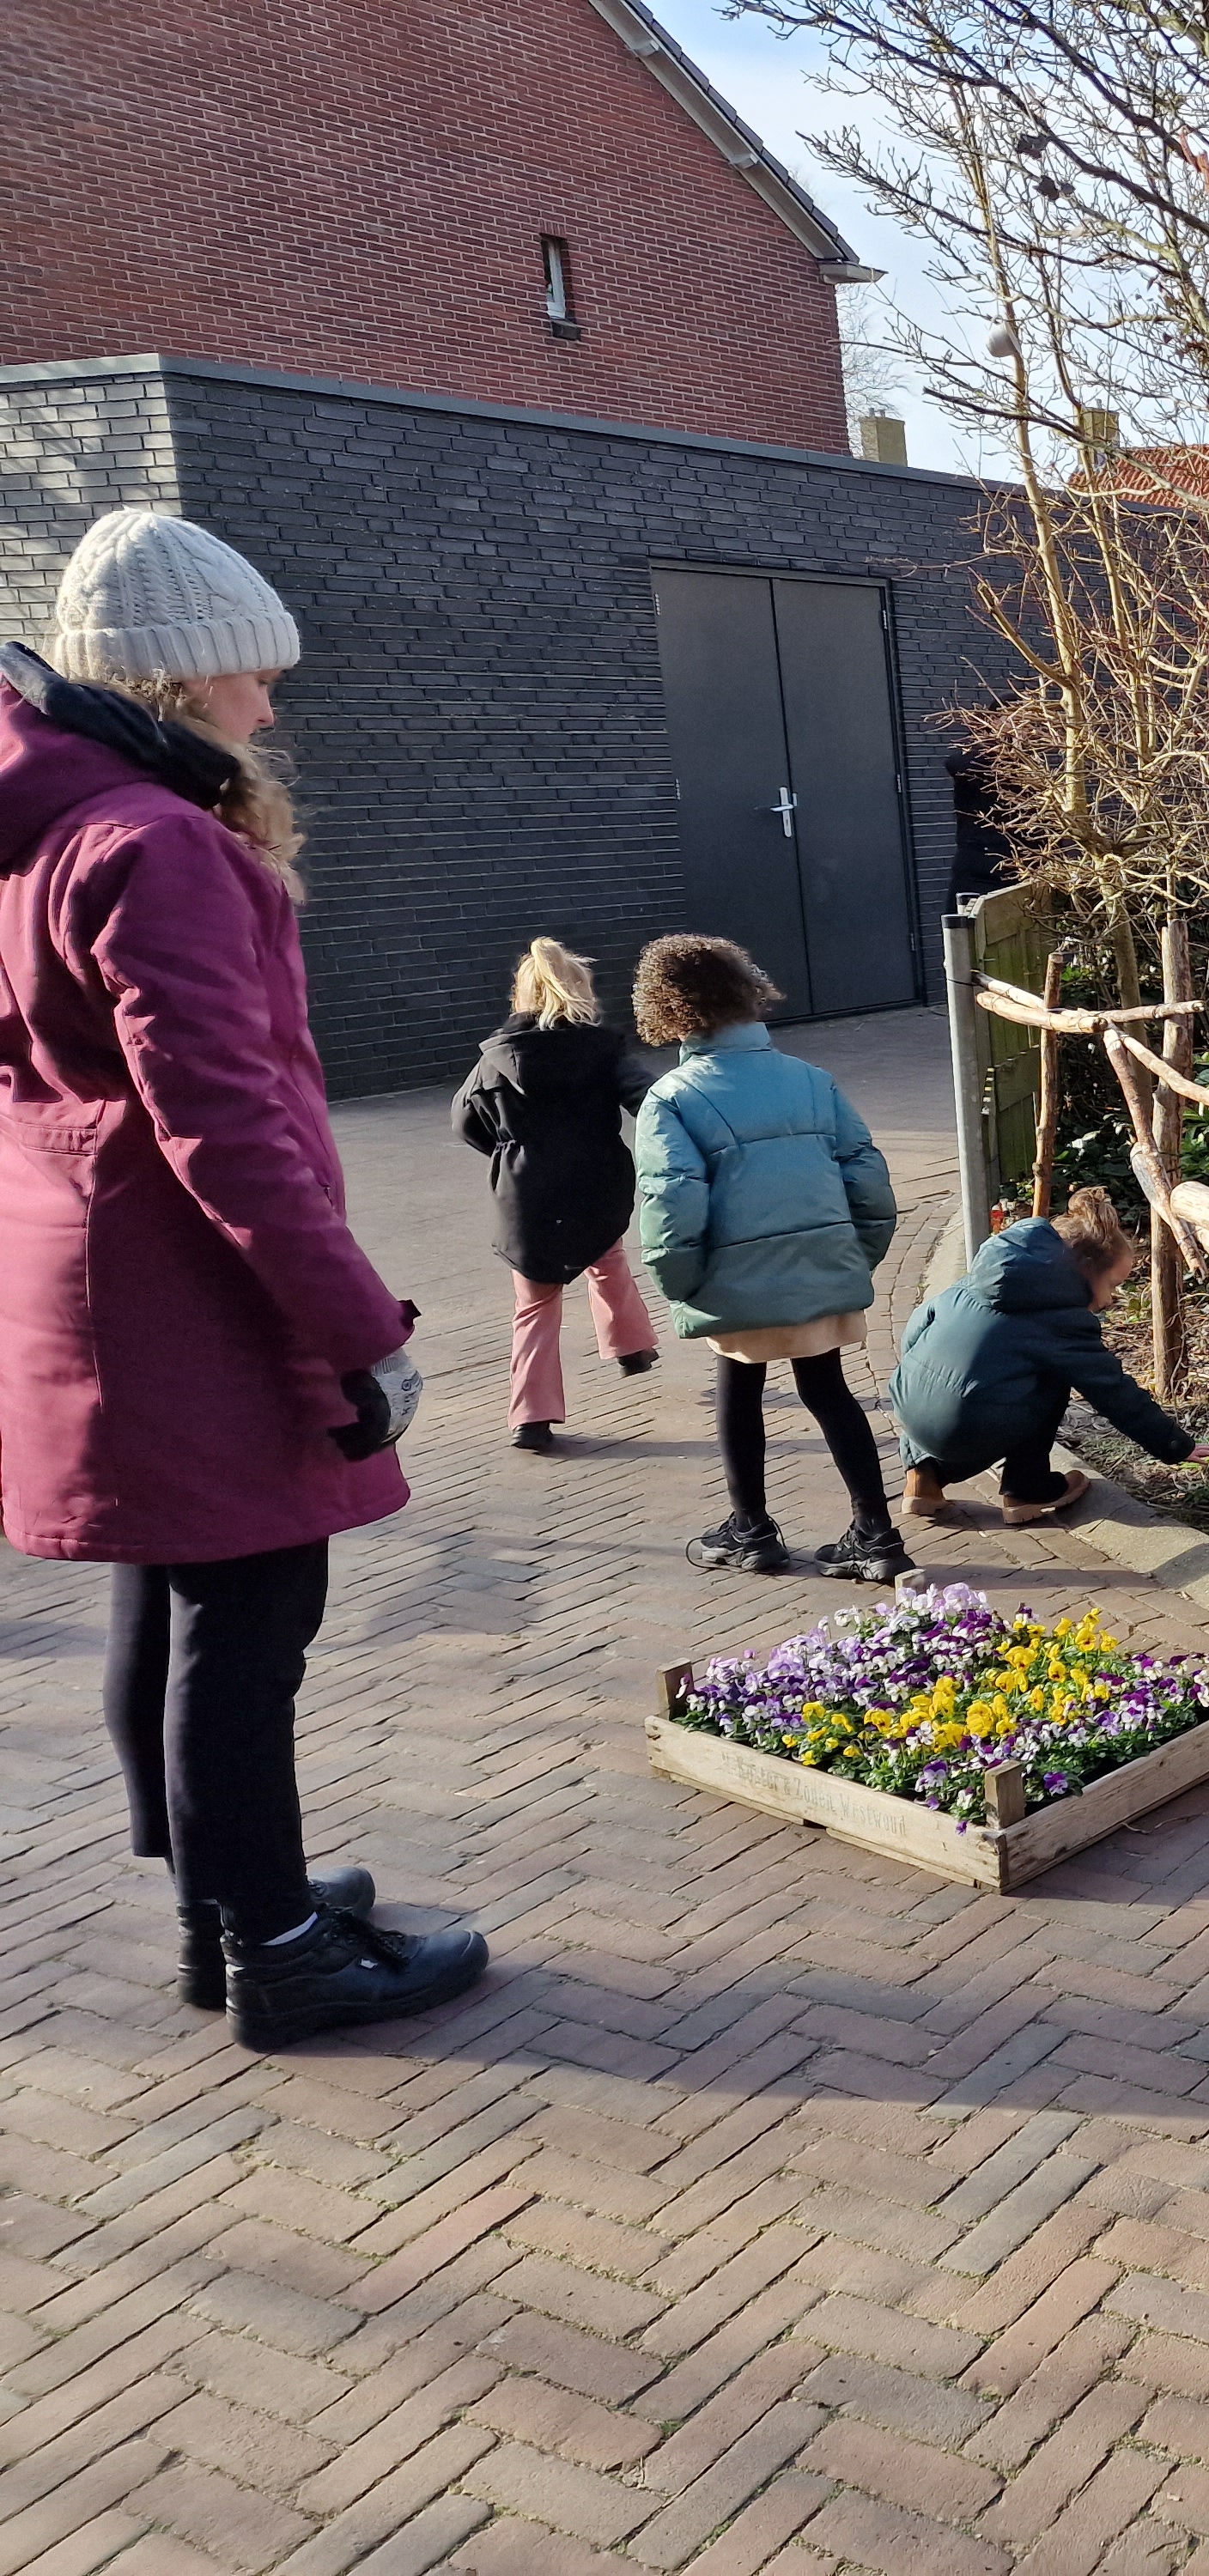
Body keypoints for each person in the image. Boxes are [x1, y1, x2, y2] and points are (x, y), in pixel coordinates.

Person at [0, 507, 484, 2047]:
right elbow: (232, 1131)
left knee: (177, 1595)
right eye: (250, 681)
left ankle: (228, 1906)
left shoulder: (43, 828)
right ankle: (279, 1950)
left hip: (93, 1285)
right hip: (191, 1302)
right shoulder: (157, 844)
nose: (270, 709)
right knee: (254, 1618)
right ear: (181, 681)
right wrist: (363, 1332)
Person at [631, 934, 908, 1581]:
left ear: (667, 1006)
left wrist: (684, 1285)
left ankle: (750, 1529)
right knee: (830, 1389)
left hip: (733, 1277)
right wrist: (852, 1258)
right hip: (820, 1262)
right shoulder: (812, 1080)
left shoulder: (673, 1097)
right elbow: (867, 1177)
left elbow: (672, 1200)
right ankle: (877, 1533)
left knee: (738, 1387)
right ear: (749, 993)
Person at [453, 939, 659, 1452]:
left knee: (535, 1299)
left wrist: (507, 1151)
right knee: (605, 1255)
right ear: (580, 992)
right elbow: (649, 1101)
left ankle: (532, 1416)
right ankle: (632, 1347)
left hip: (527, 1189)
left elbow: (464, 1122)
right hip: (595, 1174)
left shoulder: (494, 1060)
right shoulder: (603, 1050)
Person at [894, 1188, 1206, 1523]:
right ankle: (1026, 1490)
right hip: (966, 1429)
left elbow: (917, 1331)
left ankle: (923, 1478)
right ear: (1086, 1271)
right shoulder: (1062, 1322)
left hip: (909, 1409)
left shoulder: (982, 1278)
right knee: (1053, 1379)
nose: (1112, 1299)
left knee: (949, 1375)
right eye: (1113, 1285)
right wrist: (1175, 1444)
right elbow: (1112, 1390)